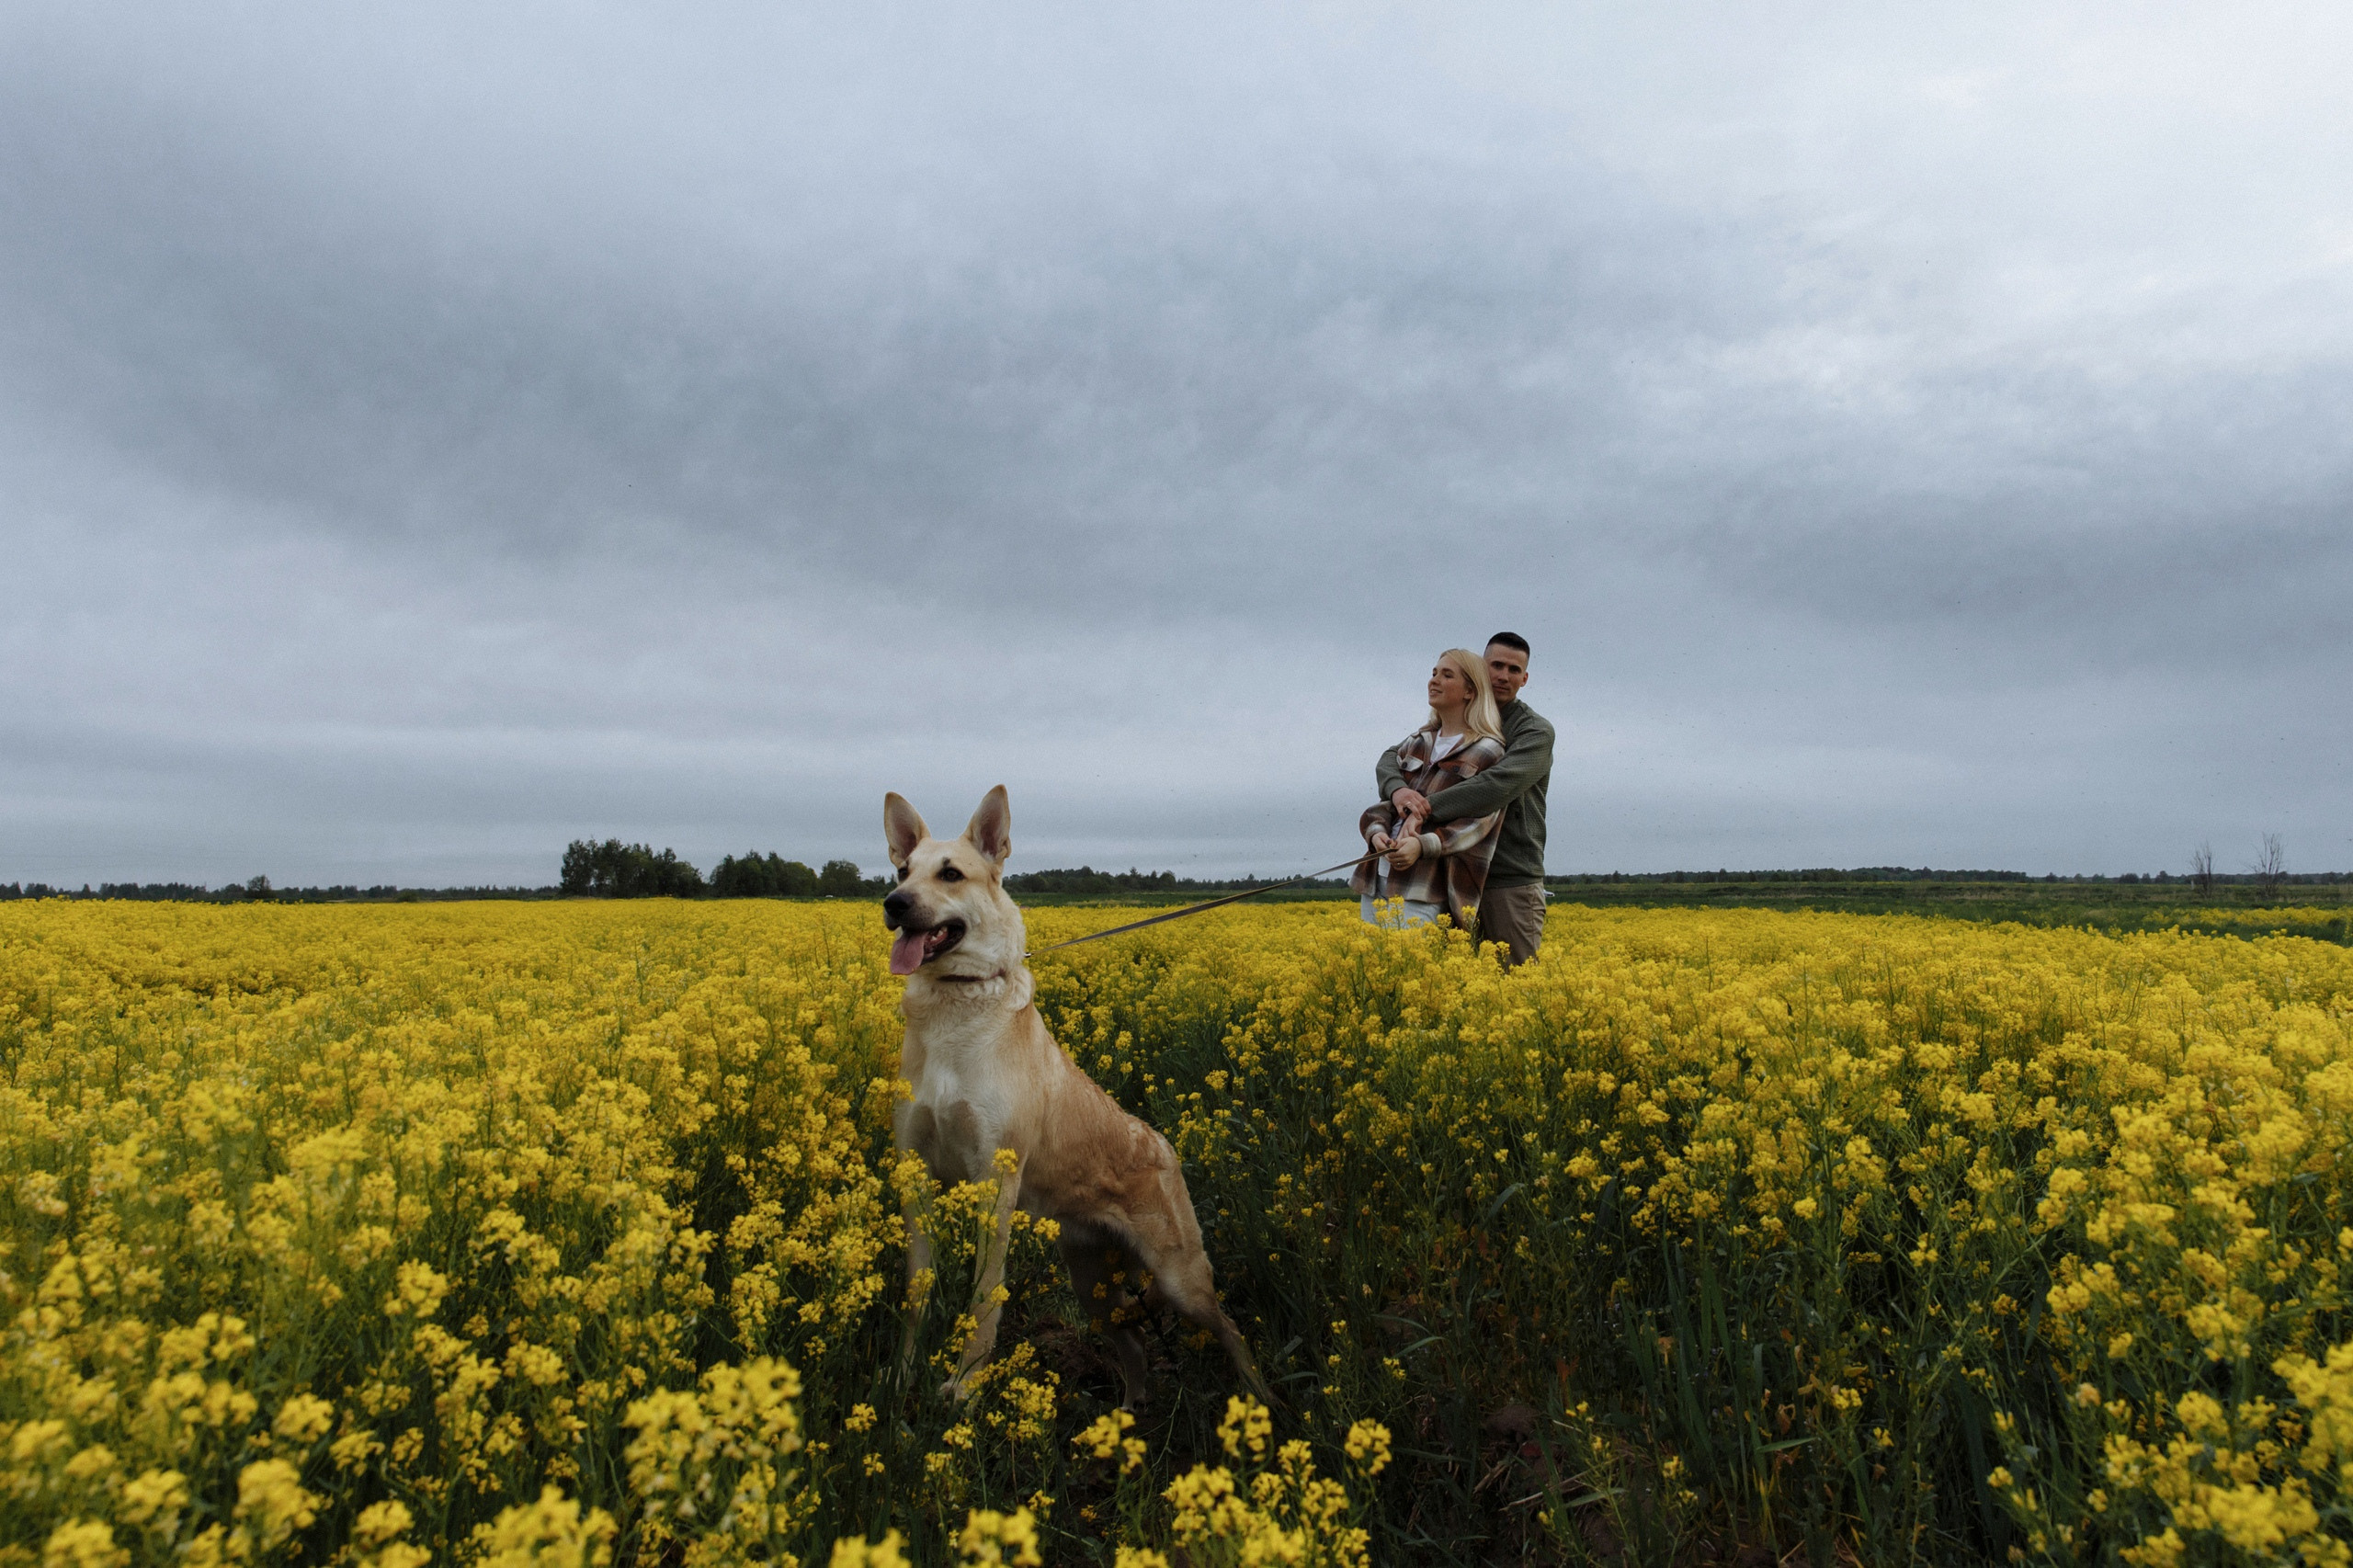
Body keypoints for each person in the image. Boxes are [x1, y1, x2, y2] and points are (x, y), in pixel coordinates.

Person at [1378, 633, 1552, 965]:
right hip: (1452, 870)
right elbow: (1391, 756)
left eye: (1514, 670)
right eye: (1495, 666)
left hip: (1506, 876)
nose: (1503, 675)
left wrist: (1423, 809)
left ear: (1525, 679)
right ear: (1479, 671)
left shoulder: (1533, 731)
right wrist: (1398, 790)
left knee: (1512, 982)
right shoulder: (1456, 721)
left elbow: (1495, 786)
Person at [1354, 649, 1507, 932]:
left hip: (1426, 886)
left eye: (1447, 675)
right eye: (1434, 673)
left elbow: (1478, 823)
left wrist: (1422, 846)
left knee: (1413, 971)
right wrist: (1376, 834)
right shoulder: (1416, 742)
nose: (1434, 680)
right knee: (1377, 972)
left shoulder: (1487, 751)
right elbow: (1387, 804)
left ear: (1470, 691)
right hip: (1377, 878)